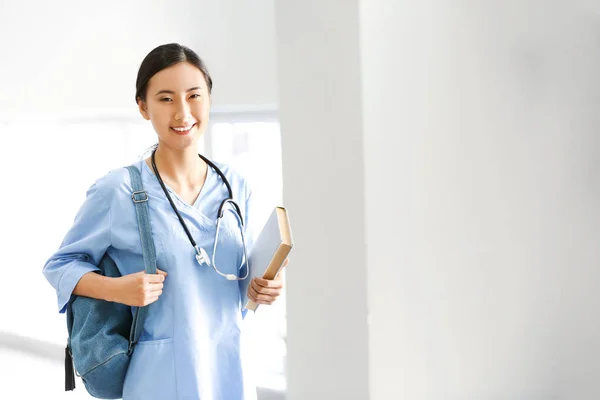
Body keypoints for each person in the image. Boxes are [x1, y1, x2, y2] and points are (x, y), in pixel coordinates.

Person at [42, 43, 286, 400]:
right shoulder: (119, 190)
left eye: (193, 96)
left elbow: (240, 276)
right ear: (143, 107)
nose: (183, 112)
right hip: (159, 377)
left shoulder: (235, 185)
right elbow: (59, 265)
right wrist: (117, 288)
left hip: (229, 369)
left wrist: (266, 285)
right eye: (166, 99)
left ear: (209, 99)